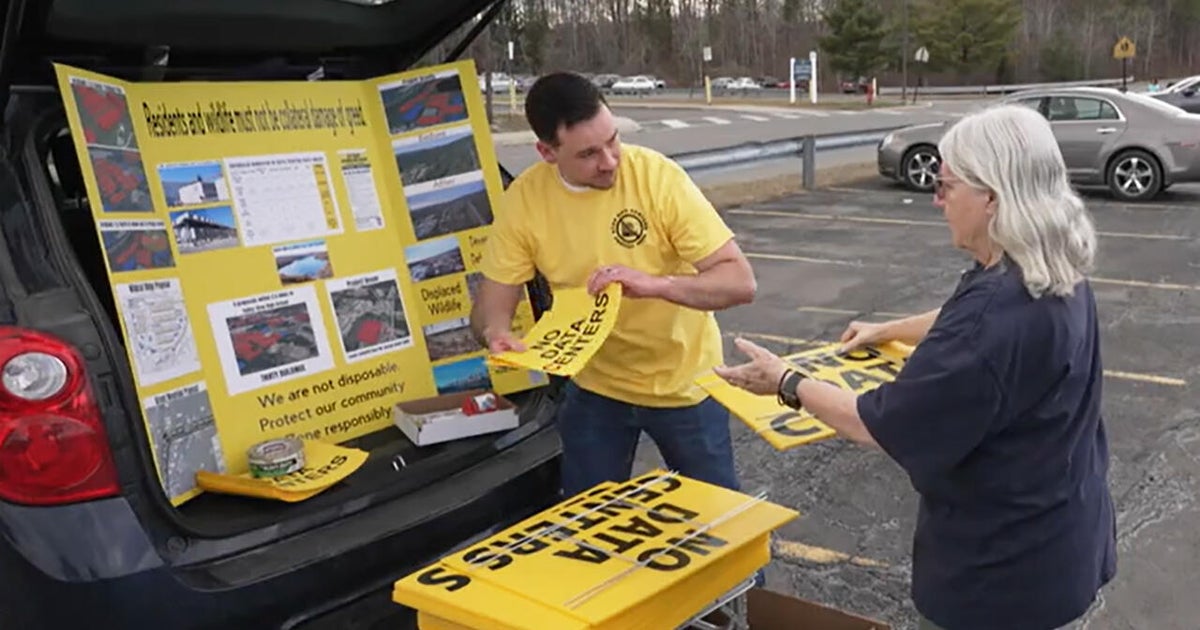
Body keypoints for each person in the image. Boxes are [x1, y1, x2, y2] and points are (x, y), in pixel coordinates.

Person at [712, 104, 1117, 630]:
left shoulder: (992, 319)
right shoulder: (1051, 265)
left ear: (992, 197)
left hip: (1001, 581)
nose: (936, 199)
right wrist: (890, 329)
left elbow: (874, 423)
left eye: (946, 185)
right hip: (1066, 537)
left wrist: (787, 381)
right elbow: (971, 319)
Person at [470, 71, 757, 500]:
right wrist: (496, 331)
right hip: (595, 387)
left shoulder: (656, 177)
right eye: (588, 153)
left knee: (719, 515)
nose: (609, 161)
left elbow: (740, 281)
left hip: (684, 383)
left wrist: (656, 285)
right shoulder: (525, 200)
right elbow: (491, 304)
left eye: (613, 140)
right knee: (585, 517)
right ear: (546, 152)